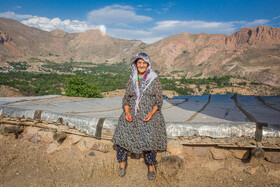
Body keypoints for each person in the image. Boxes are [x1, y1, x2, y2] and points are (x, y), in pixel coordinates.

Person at [112, 52, 167, 180]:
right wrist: (127, 112)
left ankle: (151, 165)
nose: (141, 65)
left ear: (148, 64)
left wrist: (151, 113)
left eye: (144, 63)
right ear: (135, 64)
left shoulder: (154, 79)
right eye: (139, 63)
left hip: (149, 114)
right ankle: (122, 162)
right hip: (131, 113)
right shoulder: (132, 78)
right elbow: (126, 99)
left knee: (149, 135)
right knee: (122, 132)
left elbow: (159, 101)